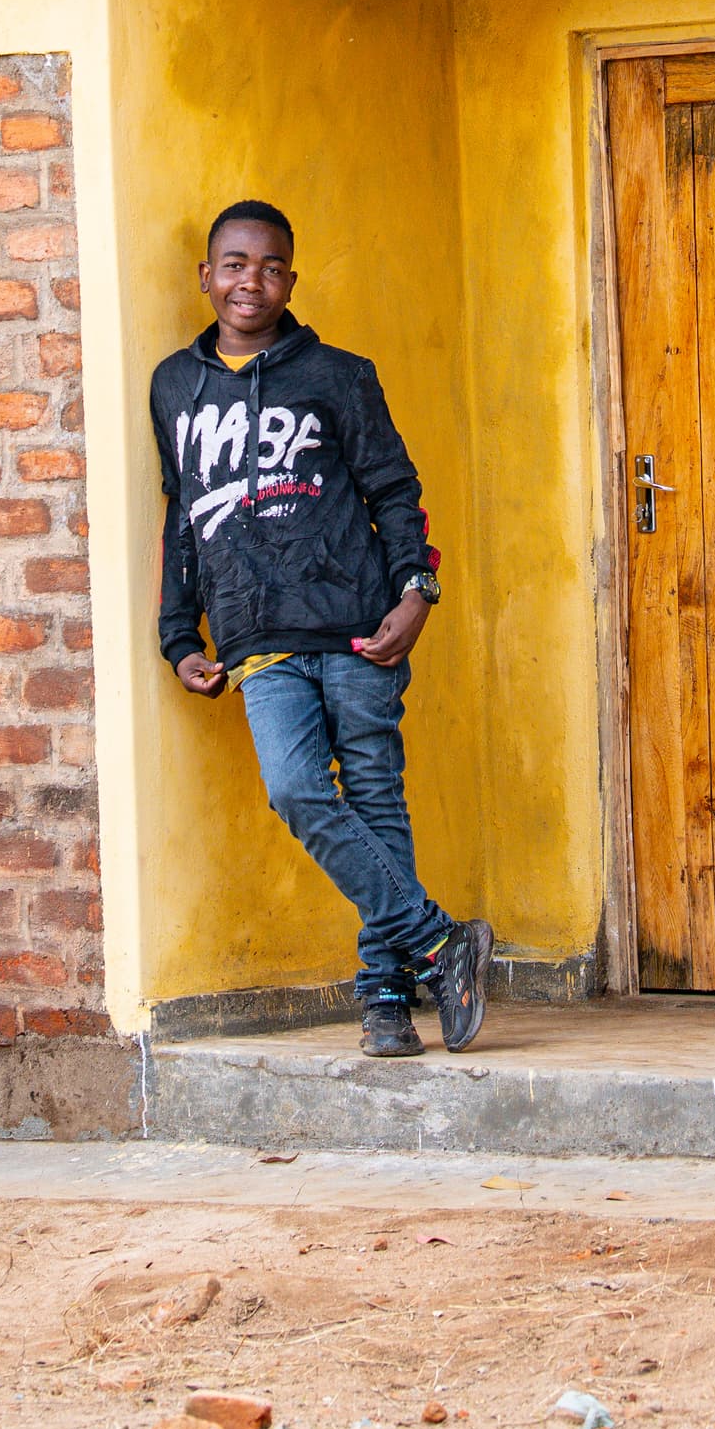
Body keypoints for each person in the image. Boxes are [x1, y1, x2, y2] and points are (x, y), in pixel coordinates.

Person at [154, 198, 495, 1057]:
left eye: (270, 268)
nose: (250, 282)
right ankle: (439, 941)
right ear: (206, 275)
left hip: (358, 625)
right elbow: (184, 515)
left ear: (291, 281)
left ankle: (385, 994)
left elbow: (393, 489)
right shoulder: (175, 387)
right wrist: (179, 636)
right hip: (257, 635)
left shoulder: (340, 375)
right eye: (233, 265)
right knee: (297, 788)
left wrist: (417, 594)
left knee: (377, 795)